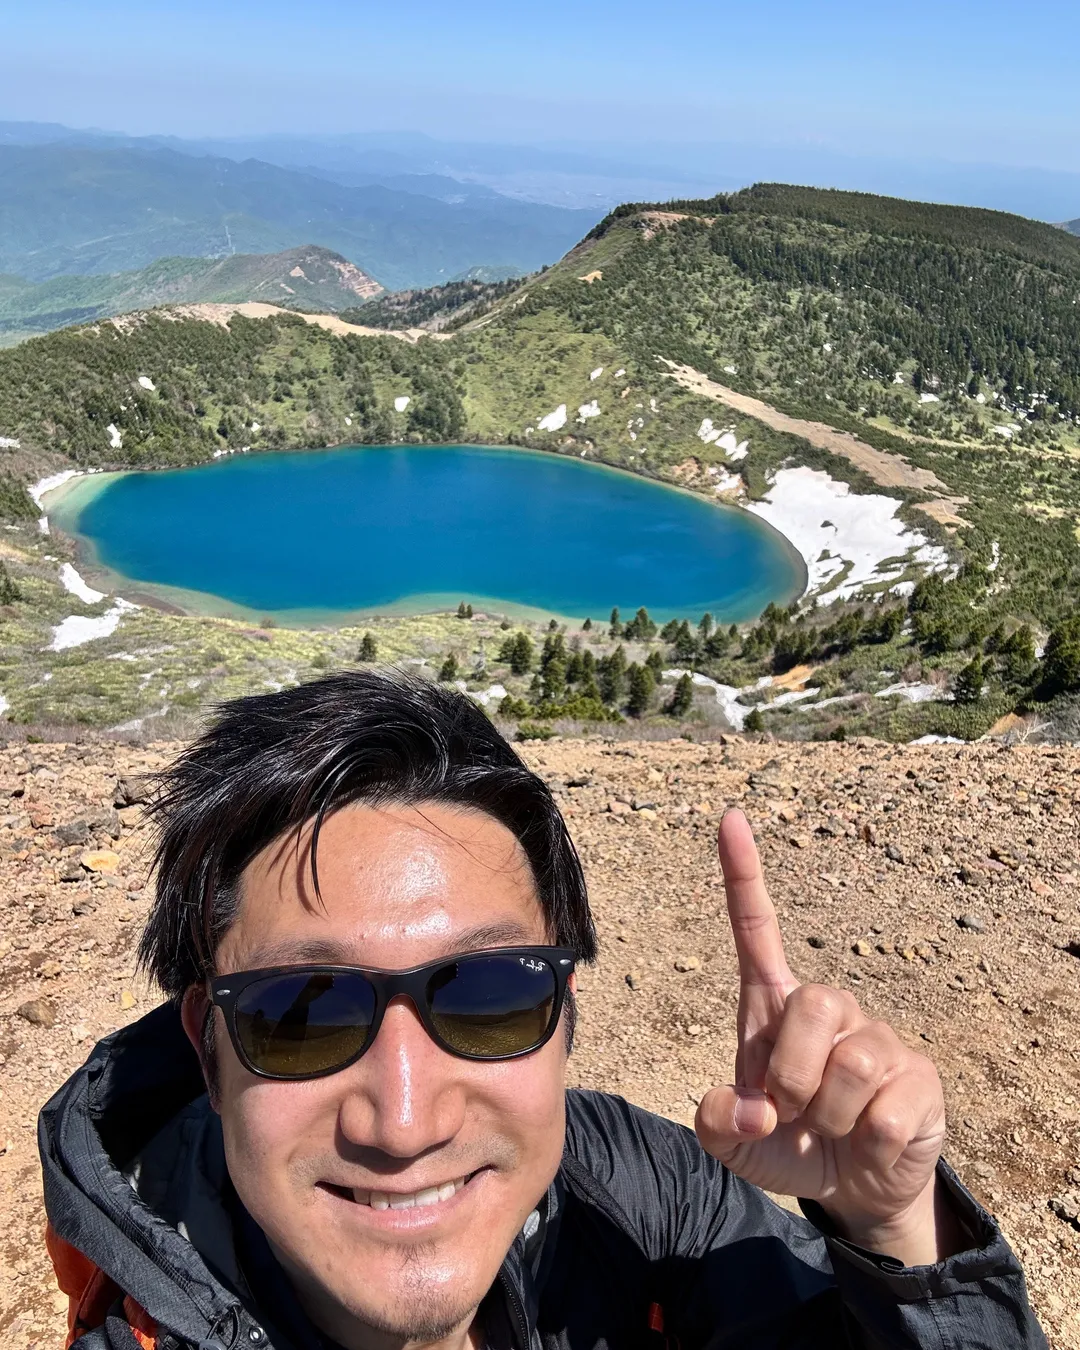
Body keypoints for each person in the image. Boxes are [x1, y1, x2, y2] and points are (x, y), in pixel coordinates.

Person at [40, 670, 1046, 1350]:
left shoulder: (627, 1190)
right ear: (207, 1052)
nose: (405, 1120)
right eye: (301, 1014)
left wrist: (893, 1226)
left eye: (488, 994)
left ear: (562, 1016)